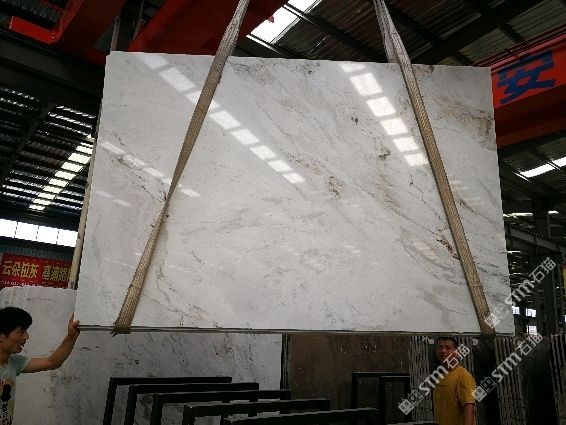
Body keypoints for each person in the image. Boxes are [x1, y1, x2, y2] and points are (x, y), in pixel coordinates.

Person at [0, 307, 79, 424]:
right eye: (21, 332)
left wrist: (71, 336)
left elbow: (52, 362)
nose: (26, 336)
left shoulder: (14, 363)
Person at [433, 336, 476, 425]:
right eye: (440, 347)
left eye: (448, 348)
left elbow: (469, 409)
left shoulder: (463, 376)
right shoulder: (440, 377)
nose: (443, 351)